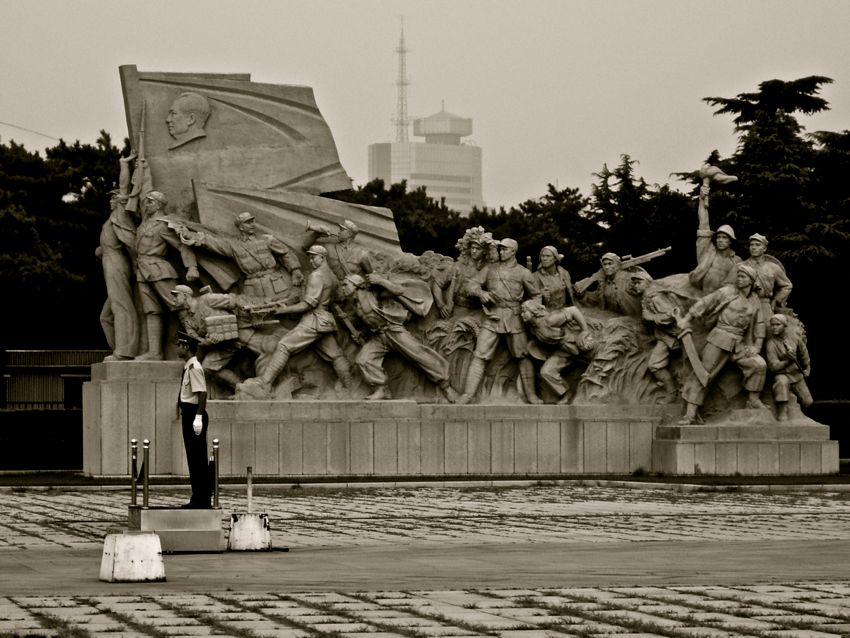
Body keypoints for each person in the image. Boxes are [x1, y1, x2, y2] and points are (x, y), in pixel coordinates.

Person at [236, 245, 352, 398]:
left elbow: (307, 304)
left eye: (314, 257)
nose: (310, 260)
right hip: (325, 321)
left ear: (323, 257)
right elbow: (338, 298)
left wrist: (284, 310)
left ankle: (265, 383)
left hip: (313, 320)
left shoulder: (317, 275)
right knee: (335, 355)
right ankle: (349, 386)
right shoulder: (332, 276)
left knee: (284, 346)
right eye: (309, 257)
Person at [341, 273, 458, 402]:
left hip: (393, 331)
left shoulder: (374, 293)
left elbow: (399, 290)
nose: (343, 288)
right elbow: (369, 321)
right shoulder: (354, 304)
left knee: (420, 354)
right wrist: (360, 333)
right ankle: (381, 389)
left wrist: (380, 280)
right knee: (363, 360)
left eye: (346, 284)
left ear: (357, 285)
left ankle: (446, 387)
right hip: (379, 337)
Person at [676, 263, 768, 425]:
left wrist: (756, 347)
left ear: (751, 281)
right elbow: (705, 303)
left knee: (758, 365)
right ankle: (690, 415)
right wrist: (686, 319)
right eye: (738, 276)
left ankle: (752, 400)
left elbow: (759, 325)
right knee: (703, 374)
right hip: (720, 338)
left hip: (739, 343)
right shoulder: (727, 292)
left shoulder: (755, 301)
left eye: (743, 277)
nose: (739, 279)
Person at [457, 238, 543, 404]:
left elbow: (536, 295)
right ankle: (467, 395)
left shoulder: (523, 272)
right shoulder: (490, 269)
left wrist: (530, 309)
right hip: (493, 317)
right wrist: (481, 293)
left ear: (513, 252)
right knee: (479, 355)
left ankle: (531, 395)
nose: (501, 252)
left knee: (523, 356)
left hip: (515, 317)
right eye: (500, 249)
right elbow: (471, 284)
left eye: (504, 249)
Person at [179, 211, 304, 301]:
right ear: (240, 227)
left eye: (252, 221)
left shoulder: (267, 239)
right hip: (253, 286)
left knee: (283, 307)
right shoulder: (233, 244)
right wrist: (190, 235)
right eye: (248, 223)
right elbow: (212, 242)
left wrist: (295, 270)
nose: (253, 225)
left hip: (274, 282)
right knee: (258, 314)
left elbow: (285, 253)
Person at [134, 190, 200, 360]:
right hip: (142, 271)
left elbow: (182, 245)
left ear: (158, 204)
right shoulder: (143, 224)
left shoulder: (163, 225)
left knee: (181, 307)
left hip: (159, 270)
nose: (146, 205)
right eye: (146, 201)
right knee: (152, 311)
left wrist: (191, 267)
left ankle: (197, 348)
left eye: (150, 201)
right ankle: (155, 353)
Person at [98, 154, 139, 361]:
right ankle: (121, 349)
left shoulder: (120, 214)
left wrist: (124, 165)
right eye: (112, 198)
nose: (112, 200)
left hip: (116, 264)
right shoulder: (111, 219)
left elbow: (124, 189)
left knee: (121, 305)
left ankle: (125, 351)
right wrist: (101, 249)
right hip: (110, 262)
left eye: (114, 197)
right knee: (106, 316)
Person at [630, 269, 689, 401]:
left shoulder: (655, 297)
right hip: (663, 336)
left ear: (646, 282)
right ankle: (672, 393)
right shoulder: (645, 298)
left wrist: (651, 317)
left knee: (656, 365)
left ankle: (675, 394)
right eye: (634, 283)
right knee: (655, 365)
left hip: (674, 335)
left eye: (638, 282)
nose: (636, 286)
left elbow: (671, 316)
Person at [520, 299, 594, 404]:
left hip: (578, 344)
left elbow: (573, 310)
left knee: (597, 362)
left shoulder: (550, 320)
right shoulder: (534, 328)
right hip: (563, 352)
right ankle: (567, 394)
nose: (522, 314)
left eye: (524, 311)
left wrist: (584, 331)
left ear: (533, 311)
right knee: (546, 372)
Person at [688, 165, 741, 294]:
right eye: (718, 237)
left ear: (731, 241)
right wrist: (701, 200)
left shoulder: (737, 261)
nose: (720, 240)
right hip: (705, 302)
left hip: (726, 305)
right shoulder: (708, 252)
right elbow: (703, 223)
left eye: (724, 238)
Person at [176, 331, 212, 509]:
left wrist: (198, 417)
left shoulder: (194, 367)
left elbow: (202, 393)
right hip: (189, 413)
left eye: (179, 345)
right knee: (193, 457)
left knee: (197, 458)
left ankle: (202, 498)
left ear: (186, 347)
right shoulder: (187, 367)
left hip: (193, 414)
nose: (177, 348)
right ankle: (198, 497)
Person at [766, 313, 813, 421]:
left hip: (796, 375)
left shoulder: (794, 338)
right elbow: (773, 366)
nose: (774, 327)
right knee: (782, 383)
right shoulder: (771, 344)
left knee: (808, 402)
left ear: (784, 325)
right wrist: (787, 361)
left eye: (777, 324)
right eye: (772, 325)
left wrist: (807, 368)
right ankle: (782, 414)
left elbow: (804, 353)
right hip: (782, 374)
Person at [735, 233, 793, 320]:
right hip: (744, 304)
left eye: (758, 245)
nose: (754, 247)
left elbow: (787, 285)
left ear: (764, 248)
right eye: (751, 245)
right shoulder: (740, 266)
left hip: (764, 305)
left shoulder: (773, 267)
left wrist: (776, 300)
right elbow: (730, 286)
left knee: (766, 330)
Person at [576, 253, 642, 317]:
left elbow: (646, 288)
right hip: (614, 316)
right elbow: (597, 298)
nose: (607, 267)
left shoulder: (629, 279)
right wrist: (582, 295)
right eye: (605, 264)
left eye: (610, 264)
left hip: (632, 319)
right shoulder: (606, 280)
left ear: (617, 265)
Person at [304, 219, 373, 281]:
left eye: (341, 230)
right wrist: (317, 234)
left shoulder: (362, 254)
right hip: (332, 288)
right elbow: (305, 247)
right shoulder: (329, 247)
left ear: (349, 234)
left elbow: (371, 276)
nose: (338, 232)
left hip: (350, 291)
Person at [533, 245, 575, 311]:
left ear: (555, 258)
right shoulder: (535, 276)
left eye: (548, 256)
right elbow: (529, 298)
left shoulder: (564, 274)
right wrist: (540, 294)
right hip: (546, 312)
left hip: (565, 310)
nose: (544, 258)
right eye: (542, 256)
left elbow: (571, 295)